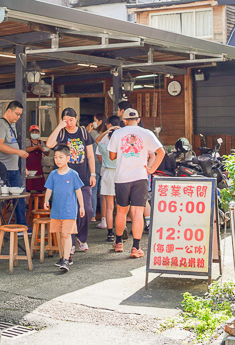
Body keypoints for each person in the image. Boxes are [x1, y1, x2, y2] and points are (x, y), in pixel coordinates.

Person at [109, 108, 165, 259]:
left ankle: (119, 243)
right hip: (140, 177)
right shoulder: (147, 133)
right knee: (138, 212)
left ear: (124, 121)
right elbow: (161, 152)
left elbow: (112, 156)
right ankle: (136, 247)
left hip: (122, 178)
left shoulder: (117, 134)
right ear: (138, 120)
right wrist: (152, 169)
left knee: (121, 211)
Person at [47, 107, 96, 253]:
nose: (68, 123)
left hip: (83, 177)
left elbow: (90, 155)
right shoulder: (61, 133)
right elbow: (49, 144)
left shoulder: (84, 133)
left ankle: (82, 237)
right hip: (64, 180)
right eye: (65, 120)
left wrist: (93, 174)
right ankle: (71, 241)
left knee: (87, 209)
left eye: (71, 120)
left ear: (76, 119)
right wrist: (59, 126)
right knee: (69, 212)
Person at [44, 144, 85, 272]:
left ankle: (66, 260)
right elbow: (49, 189)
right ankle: (65, 257)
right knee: (61, 235)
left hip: (69, 210)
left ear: (68, 158)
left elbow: (78, 191)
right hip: (57, 210)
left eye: (61, 157)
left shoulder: (73, 174)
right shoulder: (53, 174)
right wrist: (46, 200)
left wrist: (82, 206)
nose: (58, 160)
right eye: (56, 157)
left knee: (66, 235)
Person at [0, 100, 28, 225]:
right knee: (1, 199)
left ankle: (21, 225)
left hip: (14, 168)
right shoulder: (0, 124)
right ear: (9, 111)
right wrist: (18, 152)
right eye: (17, 114)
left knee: (20, 198)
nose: (18, 117)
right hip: (4, 169)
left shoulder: (11, 125)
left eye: (20, 115)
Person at [97, 115, 121, 237]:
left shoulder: (104, 146)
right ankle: (121, 231)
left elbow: (97, 140)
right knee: (121, 207)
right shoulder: (122, 148)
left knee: (109, 207)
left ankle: (110, 232)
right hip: (120, 174)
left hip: (107, 174)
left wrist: (107, 131)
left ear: (108, 137)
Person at [25, 125, 46, 191]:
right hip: (29, 168)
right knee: (28, 187)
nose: (35, 133)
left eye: (36, 132)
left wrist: (45, 150)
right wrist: (36, 147)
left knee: (39, 188)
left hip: (38, 168)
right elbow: (25, 149)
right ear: (30, 133)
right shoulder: (27, 141)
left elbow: (47, 153)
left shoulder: (41, 142)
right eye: (33, 132)